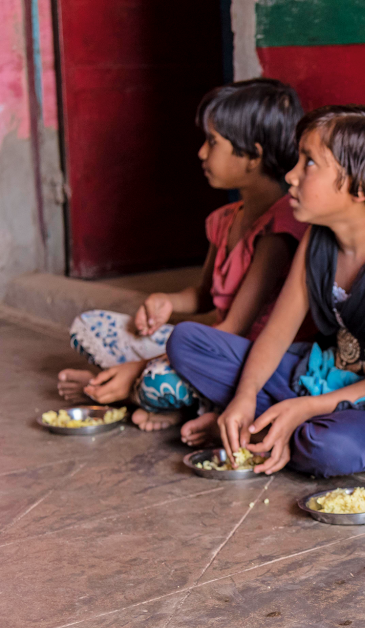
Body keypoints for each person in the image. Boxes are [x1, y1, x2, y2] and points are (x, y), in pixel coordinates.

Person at [165, 105, 365, 476]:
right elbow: (276, 335)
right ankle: (262, 423)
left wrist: (304, 409)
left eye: (308, 163)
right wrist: (244, 398)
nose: (290, 175)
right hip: (314, 372)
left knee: (333, 450)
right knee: (186, 341)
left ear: (363, 184)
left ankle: (272, 429)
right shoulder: (316, 238)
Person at [57, 79, 309, 440]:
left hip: (242, 359)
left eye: (213, 142)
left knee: (157, 380)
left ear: (252, 156)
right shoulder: (226, 218)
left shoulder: (279, 229)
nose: (202, 153)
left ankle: (126, 392)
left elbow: (234, 328)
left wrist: (136, 368)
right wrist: (167, 303)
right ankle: (121, 390)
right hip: (202, 343)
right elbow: (205, 295)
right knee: (88, 327)